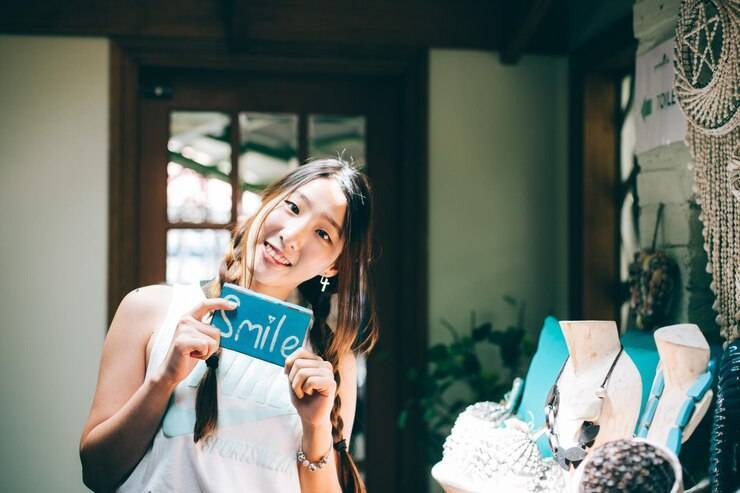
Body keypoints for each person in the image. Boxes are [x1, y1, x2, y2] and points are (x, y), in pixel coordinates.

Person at [79, 158, 378, 493]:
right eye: (293, 207)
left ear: (334, 266)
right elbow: (97, 473)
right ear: (267, 202)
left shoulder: (331, 361)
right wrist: (162, 381)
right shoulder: (148, 308)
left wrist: (316, 426)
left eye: (323, 233)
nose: (291, 236)